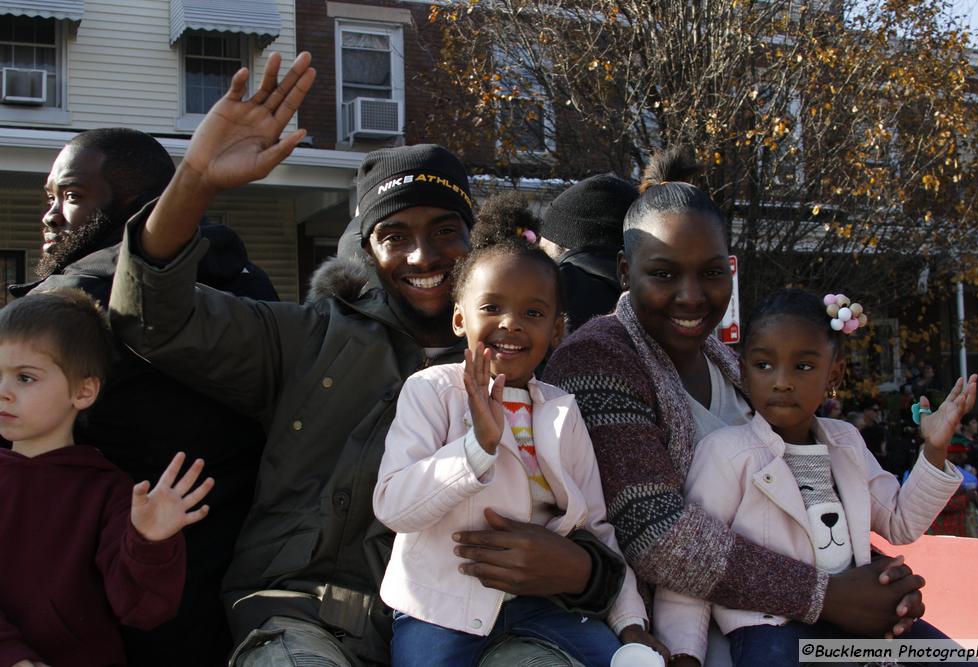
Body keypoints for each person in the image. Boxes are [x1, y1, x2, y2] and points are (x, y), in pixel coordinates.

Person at [109, 52, 630, 666]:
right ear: (365, 249)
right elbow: (154, 318)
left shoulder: (533, 358)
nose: (422, 256)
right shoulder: (309, 339)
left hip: (488, 624)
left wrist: (581, 572)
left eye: (445, 231)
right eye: (395, 236)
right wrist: (194, 176)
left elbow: (589, 520)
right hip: (313, 619)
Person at [543, 147, 928, 665]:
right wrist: (830, 595)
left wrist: (879, 585)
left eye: (710, 273)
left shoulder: (727, 359)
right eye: (663, 274)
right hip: (682, 632)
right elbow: (658, 537)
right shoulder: (598, 357)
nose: (692, 296)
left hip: (791, 614)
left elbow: (787, 506)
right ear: (623, 270)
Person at [7, 127, 278, 665]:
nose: (51, 215)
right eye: (50, 199)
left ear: (135, 206)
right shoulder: (254, 291)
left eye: (71, 195)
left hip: (100, 613)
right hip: (232, 601)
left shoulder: (74, 303)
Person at [374, 200, 664, 666]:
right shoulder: (432, 392)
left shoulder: (561, 410)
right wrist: (476, 449)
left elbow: (596, 526)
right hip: (440, 606)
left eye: (533, 313)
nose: (510, 323)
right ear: (459, 319)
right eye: (492, 307)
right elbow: (393, 505)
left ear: (556, 331)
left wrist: (631, 622)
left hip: (544, 603)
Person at [654, 288, 975, 667]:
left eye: (803, 367)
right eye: (763, 365)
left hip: (856, 619)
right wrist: (684, 653)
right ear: (743, 370)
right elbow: (692, 561)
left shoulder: (847, 443)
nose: (782, 381)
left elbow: (901, 522)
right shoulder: (727, 454)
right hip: (772, 629)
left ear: (833, 373)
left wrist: (934, 450)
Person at [0, 288, 213, 666]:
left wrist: (150, 541)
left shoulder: (110, 493)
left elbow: (142, 610)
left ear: (83, 391)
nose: (3, 393)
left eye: (25, 378)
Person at [539, 174, 639, 333]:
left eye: (543, 251)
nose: (539, 261)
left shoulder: (548, 292)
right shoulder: (658, 299)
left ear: (562, 246)